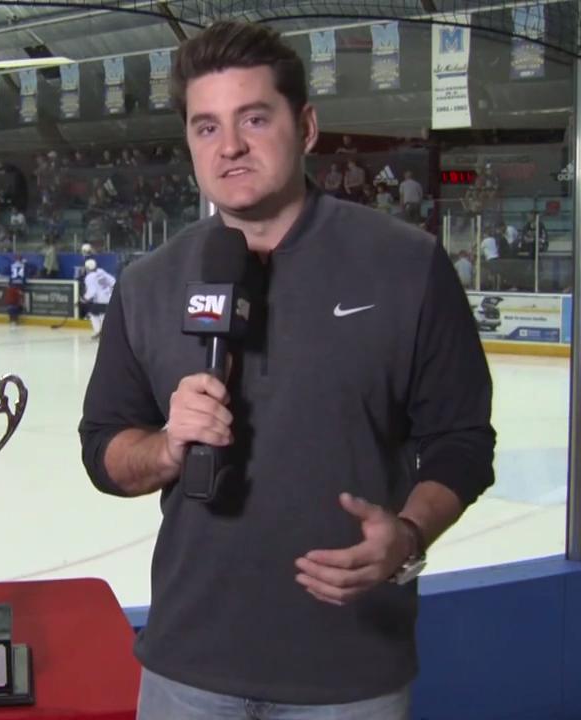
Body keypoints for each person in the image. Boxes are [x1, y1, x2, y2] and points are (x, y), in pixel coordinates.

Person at [77, 21, 495, 719]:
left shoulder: (405, 264)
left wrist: (410, 535)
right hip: (188, 663)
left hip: (348, 674)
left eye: (254, 118)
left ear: (305, 127)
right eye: (206, 127)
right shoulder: (149, 283)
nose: (230, 146)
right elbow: (104, 451)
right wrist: (166, 448)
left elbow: (462, 441)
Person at [80, 257, 115, 340]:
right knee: (103, 314)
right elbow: (113, 281)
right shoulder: (101, 272)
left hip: (100, 299)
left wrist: (84, 299)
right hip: (109, 297)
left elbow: (92, 291)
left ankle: (98, 331)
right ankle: (104, 332)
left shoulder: (89, 277)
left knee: (93, 314)